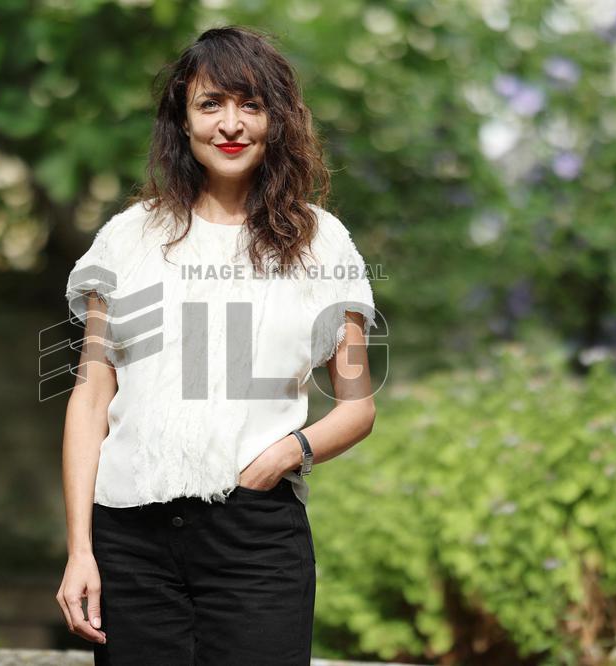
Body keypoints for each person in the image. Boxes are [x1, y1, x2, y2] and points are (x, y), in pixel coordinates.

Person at [56, 25, 378, 666]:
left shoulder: (320, 243)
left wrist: (288, 453)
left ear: (276, 120)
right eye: (210, 104)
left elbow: (357, 405)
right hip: (131, 542)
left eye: (251, 105)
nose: (230, 125)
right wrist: (80, 550)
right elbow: (91, 398)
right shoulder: (128, 240)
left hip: (254, 538)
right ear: (183, 118)